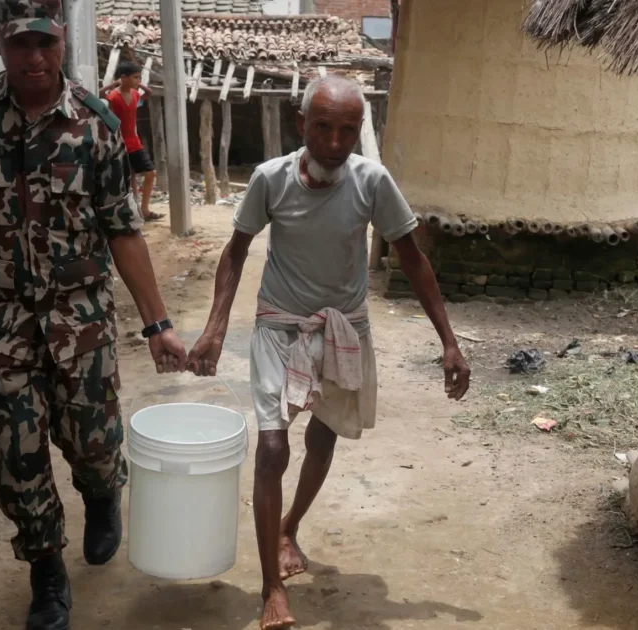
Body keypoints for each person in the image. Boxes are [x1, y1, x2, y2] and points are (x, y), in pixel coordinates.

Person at [0, 2, 187, 628]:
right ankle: (46, 570)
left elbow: (123, 229)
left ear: (60, 41)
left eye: (45, 44)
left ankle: (103, 489)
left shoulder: (96, 124)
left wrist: (157, 325)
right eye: (20, 43)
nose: (34, 58)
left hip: (79, 319)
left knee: (95, 442)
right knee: (14, 451)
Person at [186, 76, 471, 630]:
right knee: (272, 450)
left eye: (347, 130)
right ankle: (271, 587)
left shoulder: (372, 181)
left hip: (343, 331)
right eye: (323, 128)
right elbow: (236, 251)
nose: (336, 143)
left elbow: (412, 258)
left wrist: (450, 342)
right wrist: (216, 327)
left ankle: (290, 525)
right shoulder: (270, 180)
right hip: (279, 328)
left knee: (323, 435)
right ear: (301, 124)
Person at [101, 61, 163, 222]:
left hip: (134, 142)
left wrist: (140, 85)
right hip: (120, 143)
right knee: (131, 178)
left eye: (139, 77)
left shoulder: (135, 94)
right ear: (123, 78)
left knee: (150, 173)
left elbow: (148, 93)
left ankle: (144, 209)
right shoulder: (114, 97)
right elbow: (100, 95)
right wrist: (114, 84)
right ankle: (137, 211)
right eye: (135, 77)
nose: (138, 80)